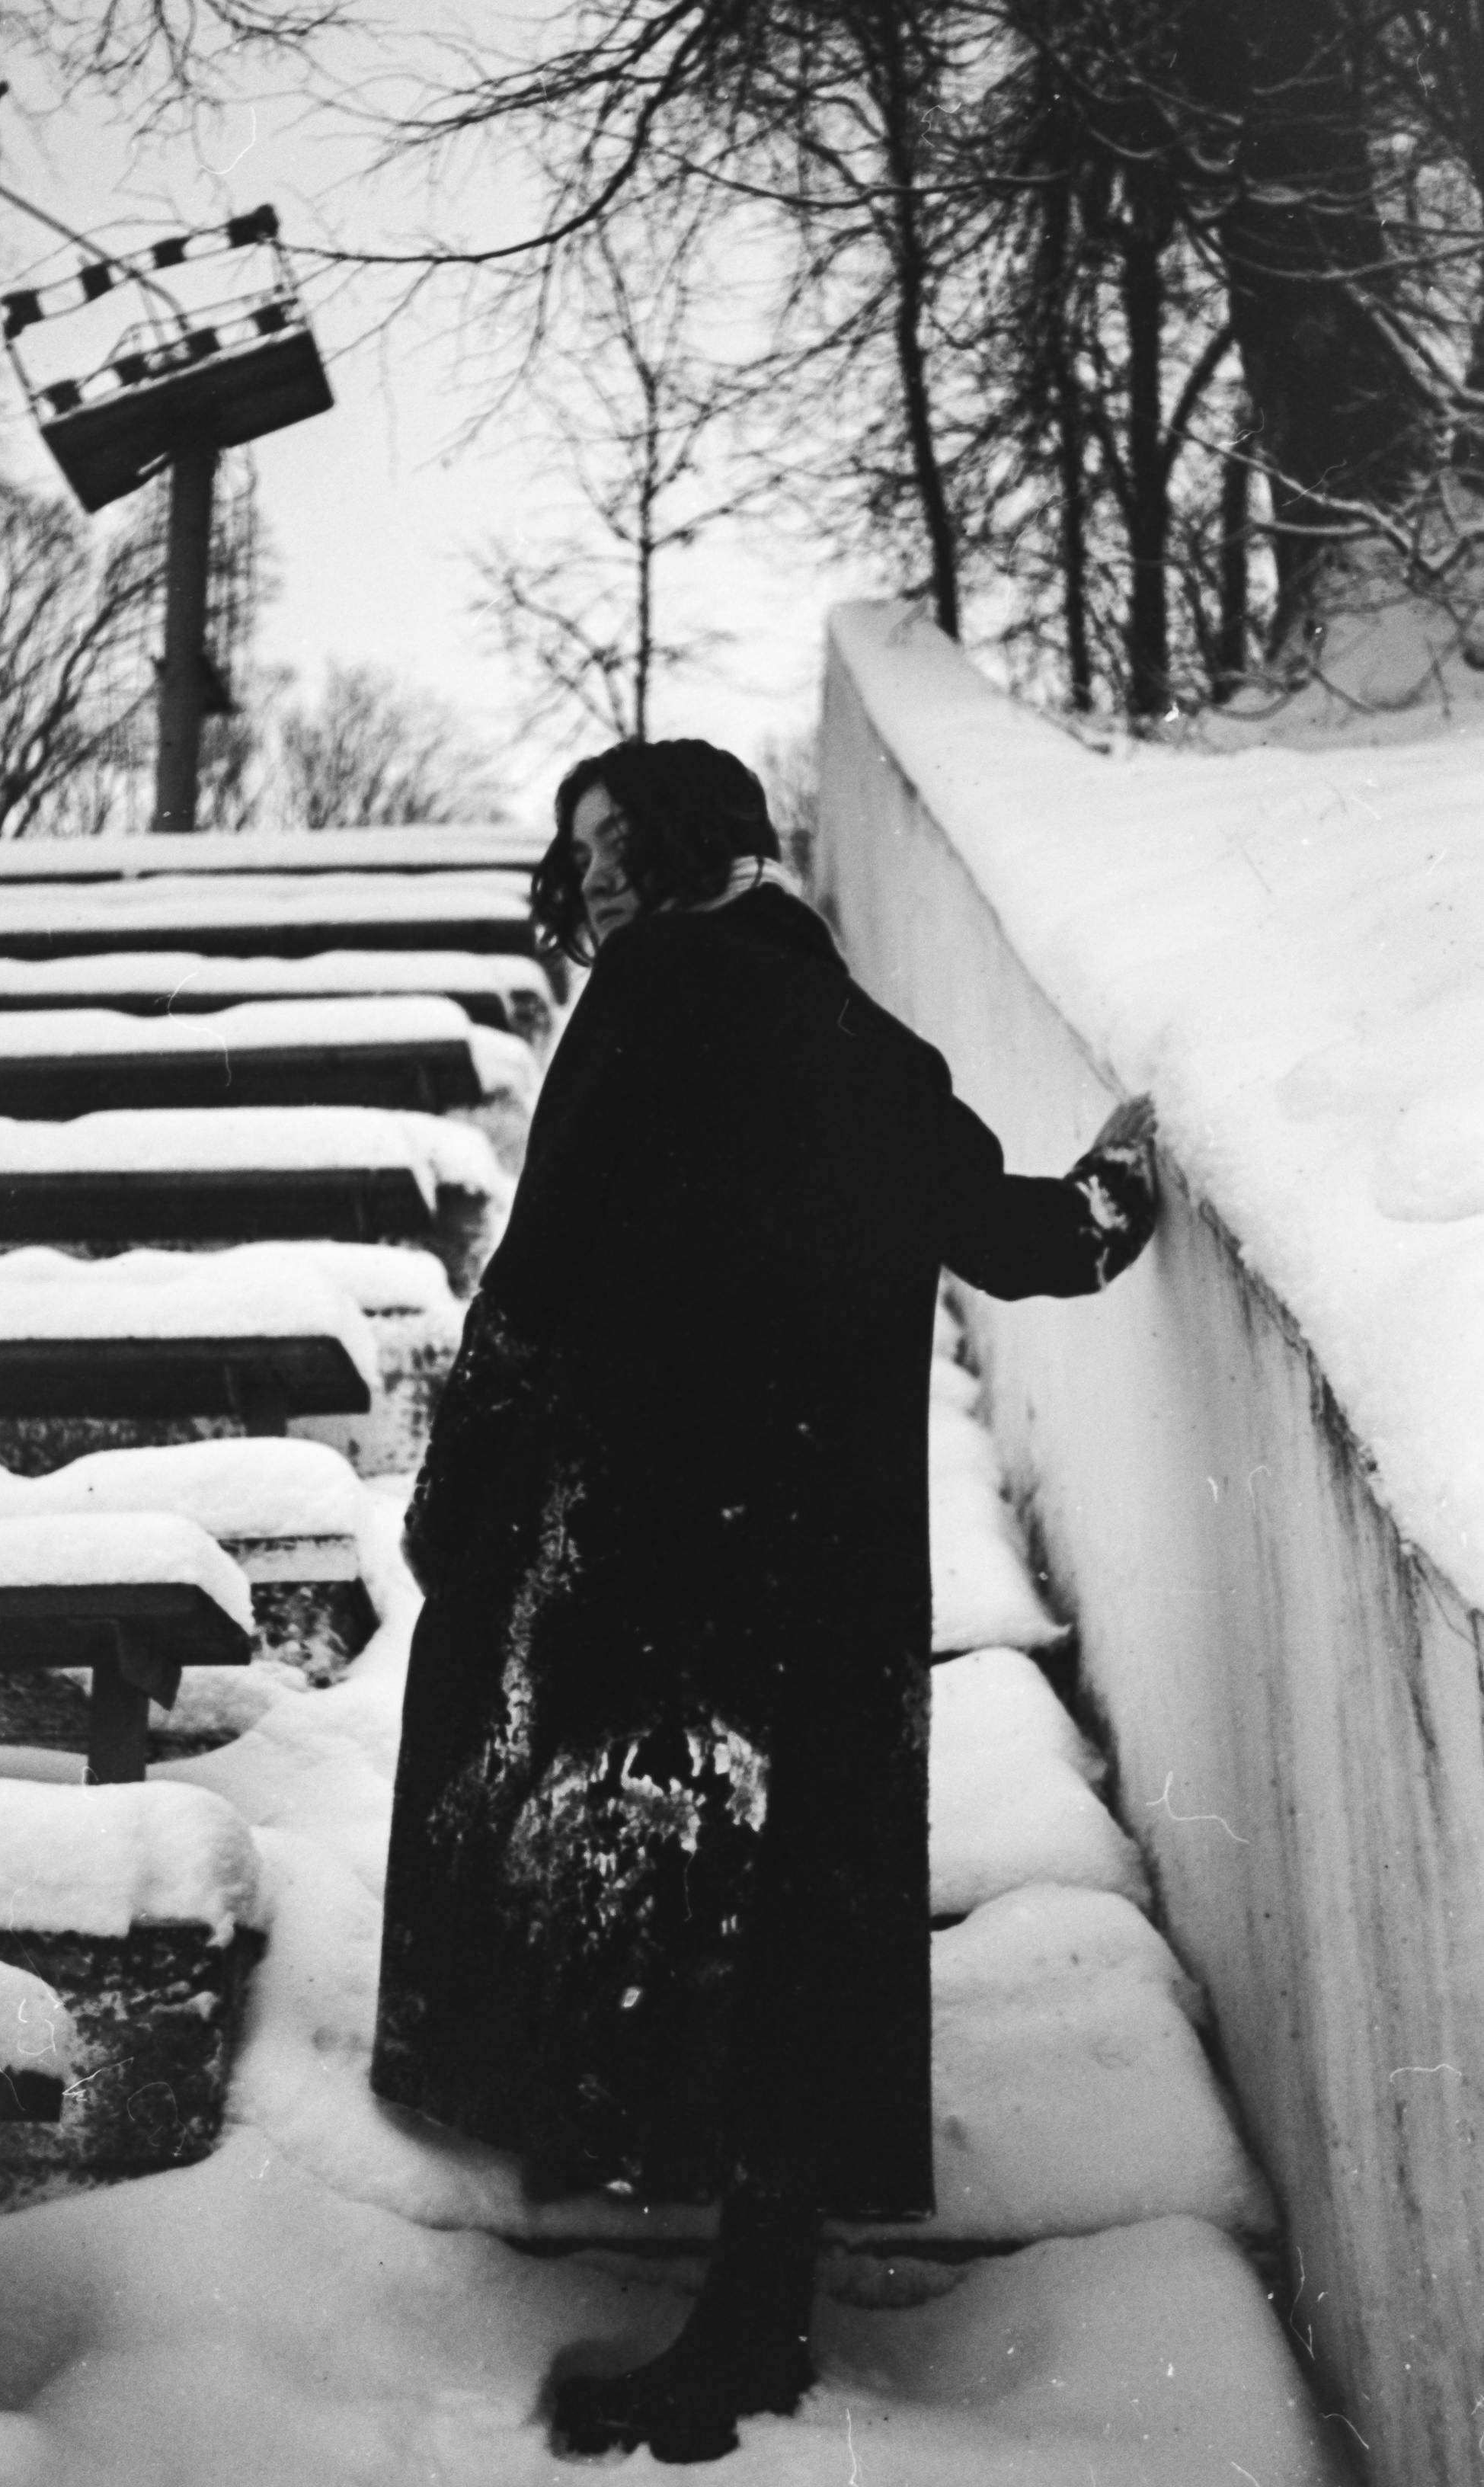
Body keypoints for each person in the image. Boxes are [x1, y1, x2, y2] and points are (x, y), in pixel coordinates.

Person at [369, 738, 1156, 2463]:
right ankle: (754, 2302)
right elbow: (1034, 1237)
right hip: (813, 1569)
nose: (584, 875)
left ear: (690, 832)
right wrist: (1130, 1174)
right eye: (574, 847)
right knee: (794, 1907)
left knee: (613, 1864)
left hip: (647, 1545)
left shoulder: (657, 980)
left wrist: (462, 1493)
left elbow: (543, 1265)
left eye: (606, 837)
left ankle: (691, 2280)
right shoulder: (861, 1036)